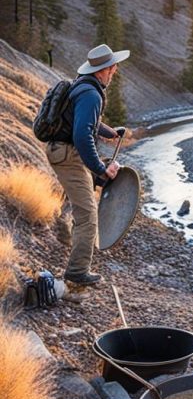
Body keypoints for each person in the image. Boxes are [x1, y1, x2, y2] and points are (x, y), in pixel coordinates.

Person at [45, 43, 131, 286]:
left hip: (60, 151)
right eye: (113, 67)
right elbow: (82, 135)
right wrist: (100, 168)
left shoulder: (82, 87)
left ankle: (64, 232)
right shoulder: (92, 94)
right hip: (69, 155)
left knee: (78, 199)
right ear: (104, 70)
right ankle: (77, 272)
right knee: (88, 215)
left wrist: (111, 133)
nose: (115, 70)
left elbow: (87, 122)